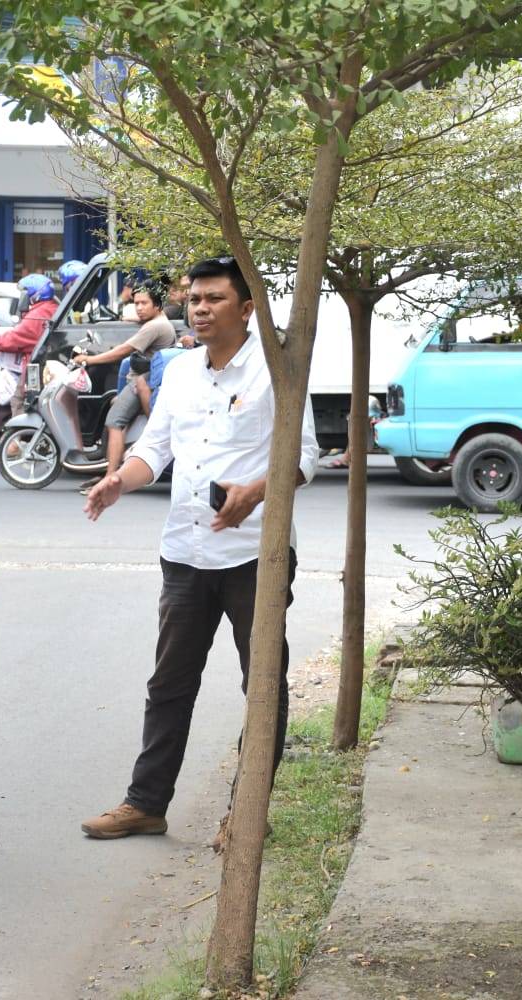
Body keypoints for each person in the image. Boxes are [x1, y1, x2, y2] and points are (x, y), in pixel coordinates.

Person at [78, 255, 319, 843]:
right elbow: (155, 448)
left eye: (214, 298)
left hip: (255, 556)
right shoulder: (181, 370)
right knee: (169, 684)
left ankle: (246, 813)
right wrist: (119, 480)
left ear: (247, 307)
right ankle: (145, 804)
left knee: (261, 686)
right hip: (185, 552)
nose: (200, 309)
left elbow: (305, 456)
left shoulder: (277, 371)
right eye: (194, 299)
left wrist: (254, 493)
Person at [71, 283, 178, 492]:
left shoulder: (154, 326)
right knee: (109, 405)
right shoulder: (157, 322)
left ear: (157, 305)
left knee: (114, 422)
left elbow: (123, 350)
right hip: (142, 380)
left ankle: (111, 477)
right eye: (136, 303)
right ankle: (108, 466)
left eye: (144, 303)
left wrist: (89, 360)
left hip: (142, 382)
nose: (139, 308)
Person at [0, 273, 59, 440]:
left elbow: (16, 338)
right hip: (44, 366)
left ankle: (17, 440)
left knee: (18, 400)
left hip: (36, 369)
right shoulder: (51, 308)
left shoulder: (37, 314)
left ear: (35, 294)